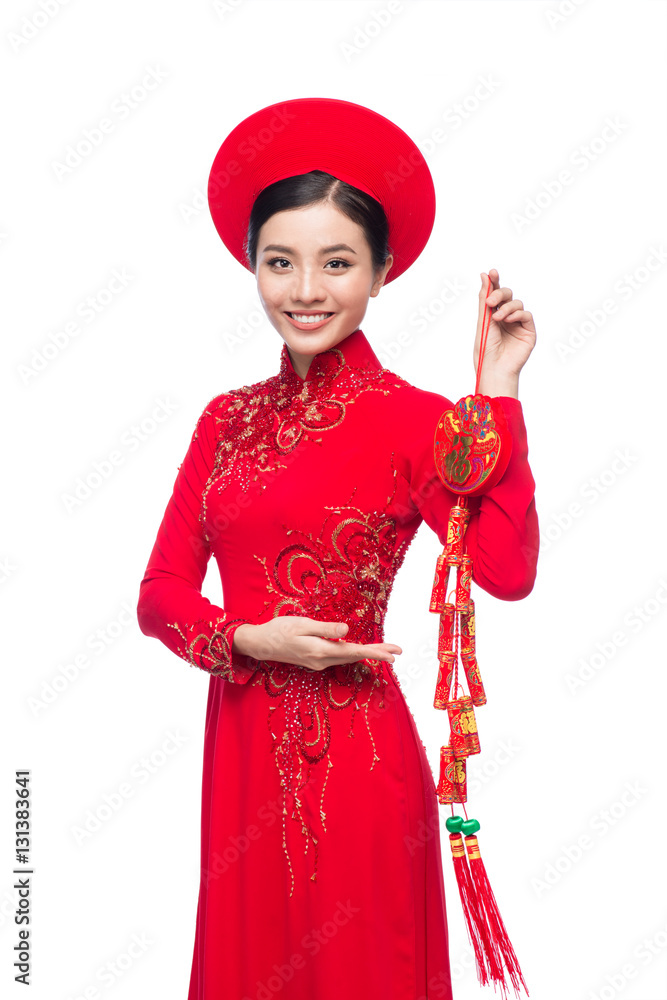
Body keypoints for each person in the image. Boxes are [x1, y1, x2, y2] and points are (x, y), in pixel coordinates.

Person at [136, 98, 539, 1000]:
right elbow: (160, 594)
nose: (305, 290)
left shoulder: (419, 422)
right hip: (239, 754)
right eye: (280, 262)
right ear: (253, 267)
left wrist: (499, 395)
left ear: (382, 271)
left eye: (336, 263)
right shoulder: (224, 421)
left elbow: (507, 573)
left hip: (356, 764)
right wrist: (248, 640)